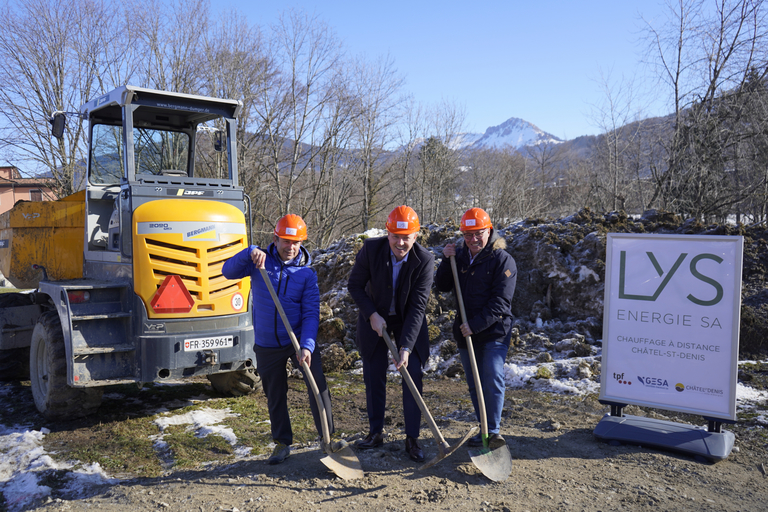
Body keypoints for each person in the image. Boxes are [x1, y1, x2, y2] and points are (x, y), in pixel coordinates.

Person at [222, 214, 333, 465]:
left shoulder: (306, 274)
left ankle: (328, 439)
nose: (290, 247)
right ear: (275, 238)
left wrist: (307, 346)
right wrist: (249, 252)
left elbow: (311, 314)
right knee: (275, 394)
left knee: (318, 387)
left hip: (297, 339)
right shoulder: (259, 262)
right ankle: (282, 443)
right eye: (286, 241)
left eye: (296, 242)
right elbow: (227, 272)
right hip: (267, 343)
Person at [347, 205, 434, 463]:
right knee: (374, 374)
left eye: (406, 237)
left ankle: (412, 438)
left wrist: (406, 347)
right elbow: (355, 285)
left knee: (412, 373)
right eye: (395, 236)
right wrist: (371, 314)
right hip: (376, 315)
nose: (400, 242)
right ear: (388, 233)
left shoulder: (425, 261)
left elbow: (418, 306)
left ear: (416, 236)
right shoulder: (371, 250)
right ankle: (375, 432)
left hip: (408, 320)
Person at [434, 207, 517, 449]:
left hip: (494, 331)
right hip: (465, 332)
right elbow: (442, 285)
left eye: (478, 233)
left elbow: (501, 302)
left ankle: (493, 432)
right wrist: (446, 260)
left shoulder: (502, 260)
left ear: (488, 231)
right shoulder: (458, 256)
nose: (473, 240)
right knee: (474, 383)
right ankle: (483, 427)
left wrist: (475, 325)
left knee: (491, 376)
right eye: (467, 235)